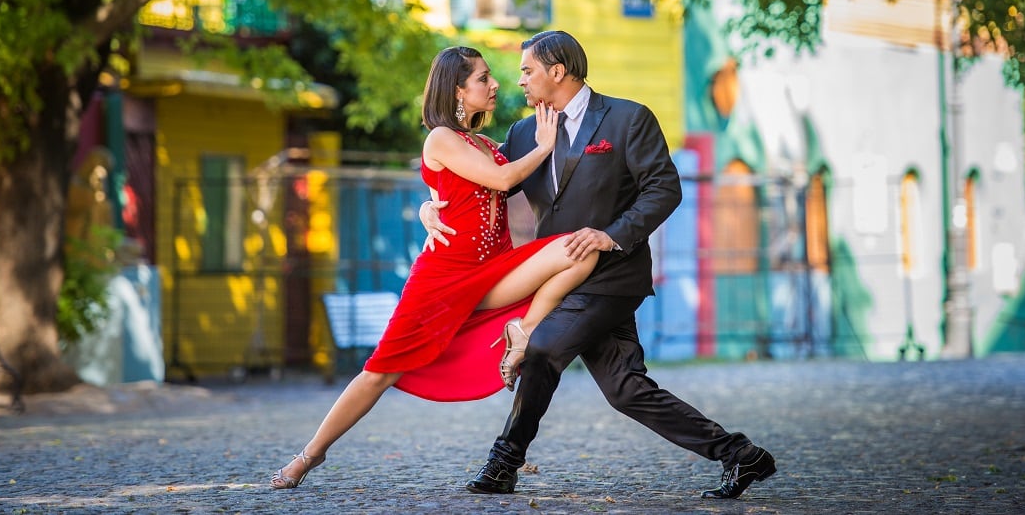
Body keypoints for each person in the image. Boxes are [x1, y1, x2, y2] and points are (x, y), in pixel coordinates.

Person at [421, 30, 775, 500]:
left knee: (542, 348)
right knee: (626, 389)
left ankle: (503, 462)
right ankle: (742, 455)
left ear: (558, 71)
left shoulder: (629, 119)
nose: (520, 81)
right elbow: (481, 186)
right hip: (560, 279)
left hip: (614, 275)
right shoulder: (525, 133)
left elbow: (664, 189)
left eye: (528, 70)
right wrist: (431, 205)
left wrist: (611, 235)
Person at [270, 45, 599, 490]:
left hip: (496, 270)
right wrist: (544, 146)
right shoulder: (440, 137)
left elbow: (468, 185)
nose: (496, 83)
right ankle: (309, 455)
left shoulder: (483, 143)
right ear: (457, 90)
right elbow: (502, 180)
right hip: (443, 279)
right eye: (483, 78)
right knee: (379, 373)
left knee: (582, 249)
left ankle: (521, 331)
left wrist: (430, 204)